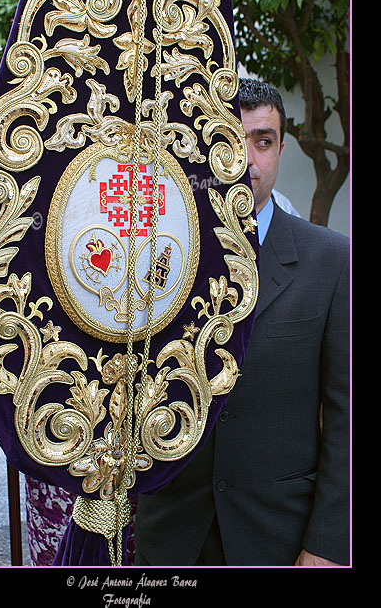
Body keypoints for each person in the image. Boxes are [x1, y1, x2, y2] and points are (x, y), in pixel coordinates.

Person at [134, 78, 350, 567]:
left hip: (280, 535)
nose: (247, 159)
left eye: (264, 141)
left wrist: (328, 545)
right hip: (171, 536)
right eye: (232, 139)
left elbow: (347, 417)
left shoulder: (331, 262)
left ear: (279, 150)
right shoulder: (154, 256)